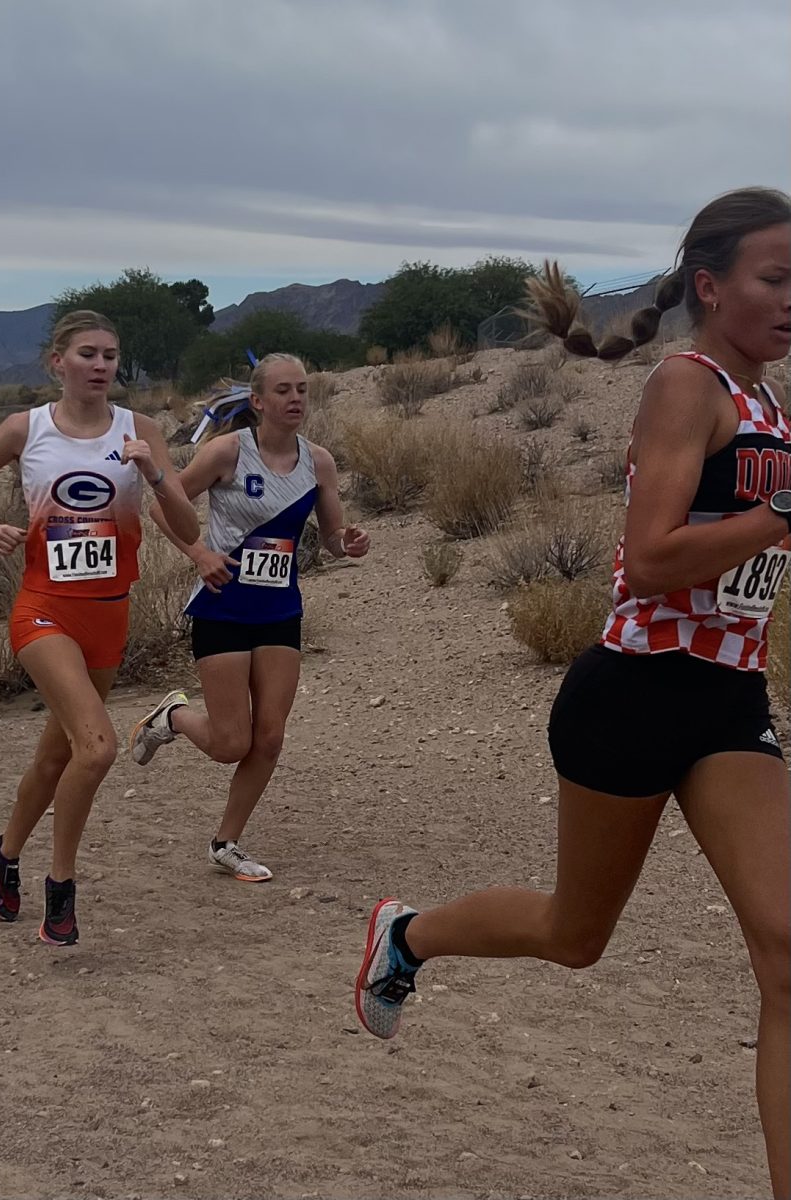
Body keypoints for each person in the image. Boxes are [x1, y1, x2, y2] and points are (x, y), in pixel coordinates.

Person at [354, 187, 791, 1199]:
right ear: (712, 286)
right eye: (776, 279)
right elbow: (647, 561)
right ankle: (405, 935)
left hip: (726, 702)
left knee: (786, 955)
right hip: (634, 693)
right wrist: (779, 511)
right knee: (573, 936)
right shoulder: (687, 386)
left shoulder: (766, 398)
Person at [0, 311, 199, 946]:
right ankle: (61, 890)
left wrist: (155, 475)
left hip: (110, 616)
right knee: (98, 747)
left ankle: (3, 855)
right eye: (87, 354)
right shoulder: (23, 428)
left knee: (58, 752)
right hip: (43, 610)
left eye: (110, 356)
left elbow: (189, 529)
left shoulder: (139, 431)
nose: (100, 366)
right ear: (56, 361)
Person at [129, 353, 370, 881]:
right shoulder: (227, 452)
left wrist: (348, 543)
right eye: (283, 390)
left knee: (271, 737)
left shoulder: (319, 462)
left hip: (280, 610)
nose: (296, 400)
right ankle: (171, 718)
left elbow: (330, 540)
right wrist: (198, 554)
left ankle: (226, 842)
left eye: (302, 389)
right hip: (224, 608)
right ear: (258, 401)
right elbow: (161, 507)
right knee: (229, 743)